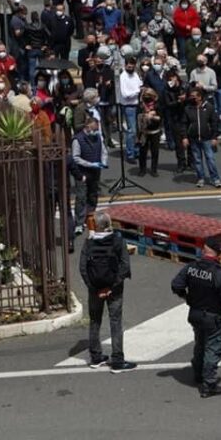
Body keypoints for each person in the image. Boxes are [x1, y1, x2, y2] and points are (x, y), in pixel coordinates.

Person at [170, 237, 221, 397]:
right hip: (213, 317)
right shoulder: (220, 275)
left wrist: (187, 298)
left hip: (195, 314)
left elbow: (176, 285)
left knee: (200, 344)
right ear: (218, 255)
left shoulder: (191, 268)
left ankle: (198, 374)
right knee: (213, 349)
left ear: (204, 251)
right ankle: (209, 385)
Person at [79, 212, 135, 373]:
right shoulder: (118, 240)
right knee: (115, 321)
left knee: (95, 321)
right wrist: (111, 287)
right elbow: (125, 266)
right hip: (114, 289)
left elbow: (83, 268)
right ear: (109, 224)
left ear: (95, 225)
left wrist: (94, 288)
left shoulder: (88, 243)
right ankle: (117, 360)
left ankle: (95, 356)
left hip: (94, 289)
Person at [70, 117, 108, 238]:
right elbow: (75, 158)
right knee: (81, 197)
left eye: (96, 129)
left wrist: (103, 162)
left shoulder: (97, 137)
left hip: (95, 172)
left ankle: (89, 217)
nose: (95, 131)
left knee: (93, 195)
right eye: (93, 129)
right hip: (83, 173)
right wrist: (90, 164)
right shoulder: (77, 140)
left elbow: (103, 151)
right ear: (87, 127)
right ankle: (79, 223)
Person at [182, 87, 221, 189]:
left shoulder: (209, 107)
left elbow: (215, 123)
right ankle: (201, 178)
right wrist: (185, 137)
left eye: (194, 97)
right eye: (191, 96)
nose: (192, 98)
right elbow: (184, 124)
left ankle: (215, 179)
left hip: (207, 138)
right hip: (194, 138)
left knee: (210, 159)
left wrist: (214, 137)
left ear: (200, 97)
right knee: (197, 160)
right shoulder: (188, 108)